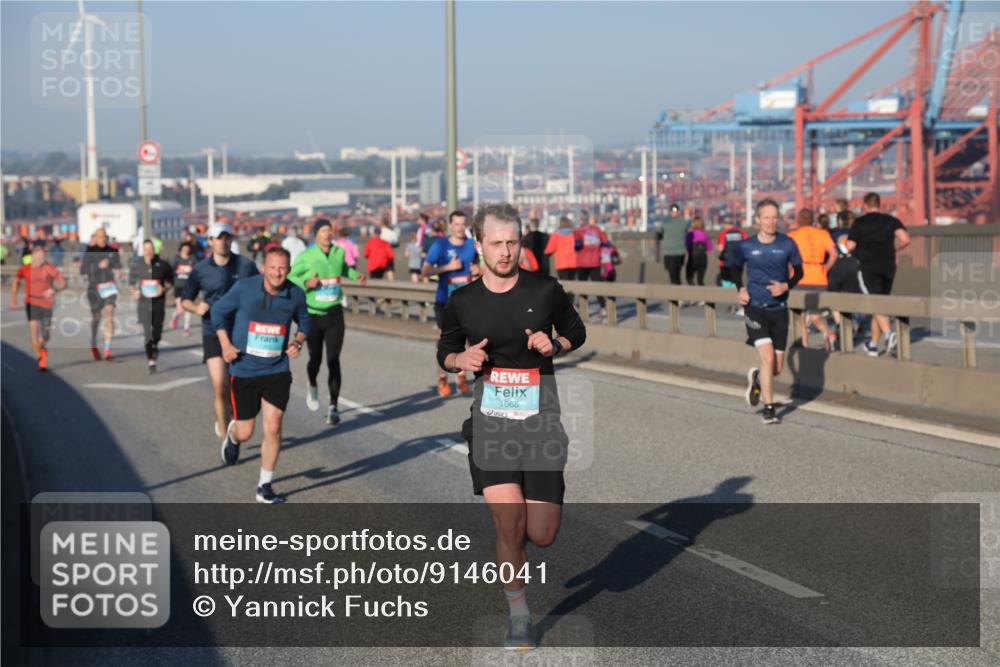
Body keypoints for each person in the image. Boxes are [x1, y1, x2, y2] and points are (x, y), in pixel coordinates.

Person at [437, 202, 586, 650]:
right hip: (491, 426)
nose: (505, 252)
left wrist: (553, 343)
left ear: (522, 242)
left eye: (513, 242)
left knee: (540, 533)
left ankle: (518, 556)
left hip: (541, 424)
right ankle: (518, 613)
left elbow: (576, 330)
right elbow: (444, 352)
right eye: (496, 243)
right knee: (508, 524)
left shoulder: (545, 290)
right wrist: (460, 360)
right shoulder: (462, 301)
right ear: (479, 245)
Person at [212, 247, 310, 504]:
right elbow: (218, 313)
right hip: (244, 370)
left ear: (288, 269)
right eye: (273, 267)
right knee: (246, 432)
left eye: (283, 268)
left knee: (274, 426)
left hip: (276, 369)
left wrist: (298, 341)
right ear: (263, 268)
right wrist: (224, 343)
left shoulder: (295, 294)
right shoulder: (244, 289)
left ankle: (264, 486)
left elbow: (305, 321)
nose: (278, 273)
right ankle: (233, 436)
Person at [181, 222, 260, 438]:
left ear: (231, 240)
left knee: (240, 386)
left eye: (227, 237)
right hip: (212, 330)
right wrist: (197, 307)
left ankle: (233, 414)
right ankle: (226, 436)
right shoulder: (200, 270)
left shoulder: (246, 266)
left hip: (240, 331)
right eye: (219, 238)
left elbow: (261, 291)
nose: (223, 242)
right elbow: (185, 300)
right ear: (211, 241)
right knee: (220, 386)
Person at [730, 198, 804, 425]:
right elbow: (733, 268)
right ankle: (769, 408)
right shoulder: (746, 246)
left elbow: (799, 272)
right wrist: (740, 287)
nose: (771, 222)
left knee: (776, 368)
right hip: (755, 308)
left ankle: (758, 379)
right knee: (768, 356)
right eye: (766, 218)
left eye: (774, 217)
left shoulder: (787, 244)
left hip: (779, 309)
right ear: (757, 220)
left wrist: (786, 286)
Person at [289, 218, 365, 425]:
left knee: (333, 360)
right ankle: (312, 383)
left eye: (329, 230)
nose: (327, 233)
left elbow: (343, 270)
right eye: (323, 230)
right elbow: (290, 277)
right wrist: (307, 282)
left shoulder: (339, 252)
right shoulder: (306, 255)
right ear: (316, 234)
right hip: (313, 315)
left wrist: (355, 275)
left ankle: (333, 406)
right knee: (315, 360)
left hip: (334, 314)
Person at [847, 192, 910, 357]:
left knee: (875, 302)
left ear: (865, 206)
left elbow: (851, 245)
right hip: (888, 266)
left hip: (868, 266)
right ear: (879, 205)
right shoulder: (891, 220)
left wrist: (846, 247)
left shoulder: (859, 222)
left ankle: (889, 334)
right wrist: (892, 250)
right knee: (880, 303)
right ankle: (873, 345)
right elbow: (905, 239)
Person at [423, 210, 478, 397]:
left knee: (468, 343)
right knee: (446, 343)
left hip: (468, 303)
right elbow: (425, 271)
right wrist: (448, 267)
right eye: (457, 224)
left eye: (463, 224)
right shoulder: (440, 246)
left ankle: (461, 377)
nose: (460, 228)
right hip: (445, 302)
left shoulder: (472, 245)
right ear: (450, 226)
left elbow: (483, 265)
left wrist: (479, 269)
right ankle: (442, 378)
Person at [788, 208, 837, 350]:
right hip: (819, 277)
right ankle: (829, 333)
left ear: (798, 220)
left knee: (800, 315)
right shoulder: (823, 234)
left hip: (800, 277)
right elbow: (834, 254)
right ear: (813, 220)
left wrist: (790, 271)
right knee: (816, 315)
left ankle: (803, 344)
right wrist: (825, 268)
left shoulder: (792, 235)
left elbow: (786, 258)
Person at [11, 245, 66, 371]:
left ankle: (42, 347)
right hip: (31, 302)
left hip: (46, 303)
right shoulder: (25, 268)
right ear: (33, 255)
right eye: (40, 256)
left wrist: (55, 289)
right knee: (34, 331)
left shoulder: (49, 268)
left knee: (45, 335)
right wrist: (14, 300)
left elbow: (63, 282)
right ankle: (40, 359)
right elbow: (16, 281)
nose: (42, 258)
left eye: (44, 256)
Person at [130, 239, 174, 373]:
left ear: (154, 250)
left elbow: (170, 282)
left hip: (158, 303)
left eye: (150, 249)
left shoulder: (163, 265)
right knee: (147, 333)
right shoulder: (136, 265)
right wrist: (134, 292)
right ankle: (151, 360)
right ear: (142, 250)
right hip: (143, 304)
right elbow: (131, 284)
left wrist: (164, 289)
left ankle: (155, 344)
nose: (148, 252)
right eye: (145, 249)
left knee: (157, 332)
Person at [79, 228, 122, 361]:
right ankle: (93, 341)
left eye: (104, 237)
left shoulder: (113, 251)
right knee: (96, 317)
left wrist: (119, 271)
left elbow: (118, 265)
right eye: (99, 237)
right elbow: (82, 270)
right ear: (95, 238)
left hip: (109, 286)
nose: (102, 239)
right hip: (94, 288)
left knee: (109, 313)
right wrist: (98, 266)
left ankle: (107, 349)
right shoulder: (90, 252)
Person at [573, 213, 610, 315]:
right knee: (597, 286)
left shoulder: (578, 231)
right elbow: (606, 243)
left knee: (581, 286)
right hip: (595, 262)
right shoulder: (598, 231)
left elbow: (578, 245)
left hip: (582, 263)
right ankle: (603, 307)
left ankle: (579, 307)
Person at [716, 218, 748, 314]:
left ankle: (730, 305)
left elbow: (720, 248)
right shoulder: (741, 233)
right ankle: (737, 304)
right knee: (737, 282)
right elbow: (747, 245)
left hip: (726, 263)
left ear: (726, 224)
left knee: (727, 283)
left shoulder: (723, 233)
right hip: (739, 262)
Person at [659, 203, 690, 285]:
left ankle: (675, 295)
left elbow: (659, 234)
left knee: (673, 276)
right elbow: (687, 234)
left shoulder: (665, 224)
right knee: (677, 275)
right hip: (680, 253)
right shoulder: (684, 223)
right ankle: (678, 295)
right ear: (679, 212)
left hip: (669, 253)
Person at [170, 242, 196, 335]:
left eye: (187, 248)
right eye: (184, 248)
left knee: (188, 308)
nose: (186, 250)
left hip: (189, 286)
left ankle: (186, 328)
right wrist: (177, 271)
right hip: (178, 285)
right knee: (181, 309)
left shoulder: (192, 259)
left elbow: (196, 271)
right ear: (181, 249)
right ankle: (174, 317)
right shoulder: (177, 258)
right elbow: (170, 270)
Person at [684, 216, 713, 287]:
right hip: (703, 258)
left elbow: (687, 246)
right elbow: (710, 248)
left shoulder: (690, 234)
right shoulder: (704, 234)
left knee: (690, 278)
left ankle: (692, 294)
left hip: (693, 258)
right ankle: (703, 295)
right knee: (700, 280)